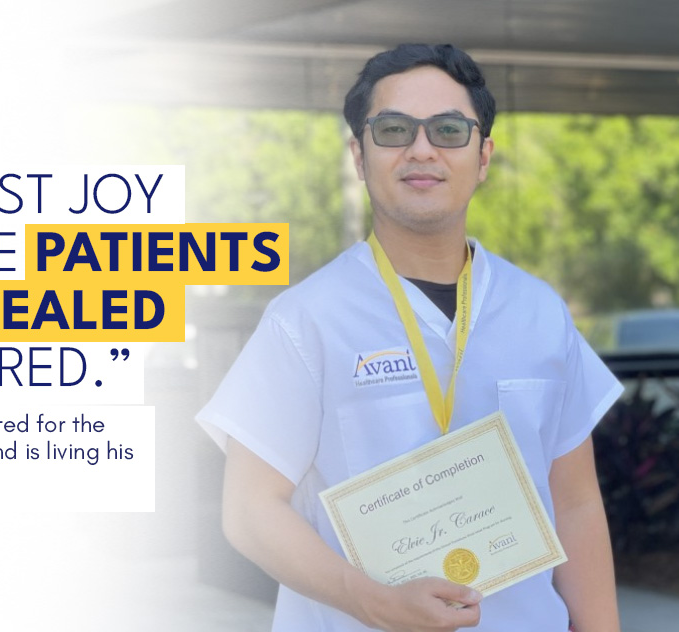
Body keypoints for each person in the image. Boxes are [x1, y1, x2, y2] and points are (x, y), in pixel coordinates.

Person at [197, 44, 623, 632]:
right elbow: (249, 511)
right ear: (359, 155)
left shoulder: (539, 312)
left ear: (484, 156)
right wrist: (368, 599)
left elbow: (575, 503)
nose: (421, 148)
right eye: (394, 129)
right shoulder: (305, 319)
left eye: (449, 130)